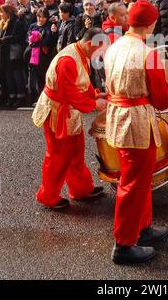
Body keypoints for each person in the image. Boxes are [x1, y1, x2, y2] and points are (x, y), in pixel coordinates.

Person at [104, 0, 168, 264]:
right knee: (134, 183)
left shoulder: (113, 48)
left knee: (138, 178)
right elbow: (163, 99)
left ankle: (141, 229)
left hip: (119, 117)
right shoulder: (148, 53)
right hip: (138, 122)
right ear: (152, 23)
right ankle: (123, 244)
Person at [33, 28, 108, 209]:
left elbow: (82, 84)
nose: (101, 55)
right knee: (57, 157)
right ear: (90, 44)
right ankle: (48, 197)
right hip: (57, 112)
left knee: (75, 151)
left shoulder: (80, 53)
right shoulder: (68, 60)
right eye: (100, 50)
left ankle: (81, 189)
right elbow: (70, 93)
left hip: (68, 110)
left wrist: (95, 95)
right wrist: (93, 104)